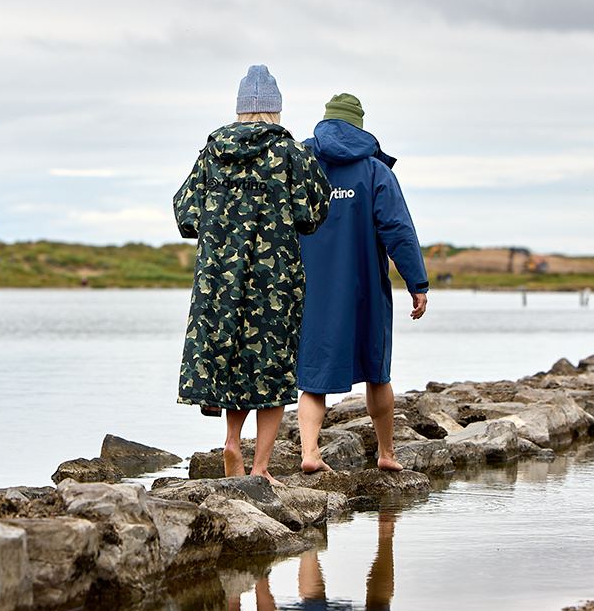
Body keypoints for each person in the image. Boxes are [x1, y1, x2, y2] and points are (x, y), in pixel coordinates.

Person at [174, 65, 331, 485]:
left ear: (240, 109)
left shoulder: (211, 150)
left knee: (233, 360)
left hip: (218, 278)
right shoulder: (292, 153)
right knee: (272, 367)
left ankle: (231, 441)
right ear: (276, 110)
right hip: (274, 278)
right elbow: (314, 212)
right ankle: (260, 467)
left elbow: (185, 214)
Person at [296, 93, 428, 473]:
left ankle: (309, 453)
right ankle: (386, 454)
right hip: (364, 289)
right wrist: (417, 283)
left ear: (325, 122)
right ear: (359, 126)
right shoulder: (374, 171)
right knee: (377, 372)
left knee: (313, 377)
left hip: (312, 290)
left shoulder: (303, 165)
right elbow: (398, 231)